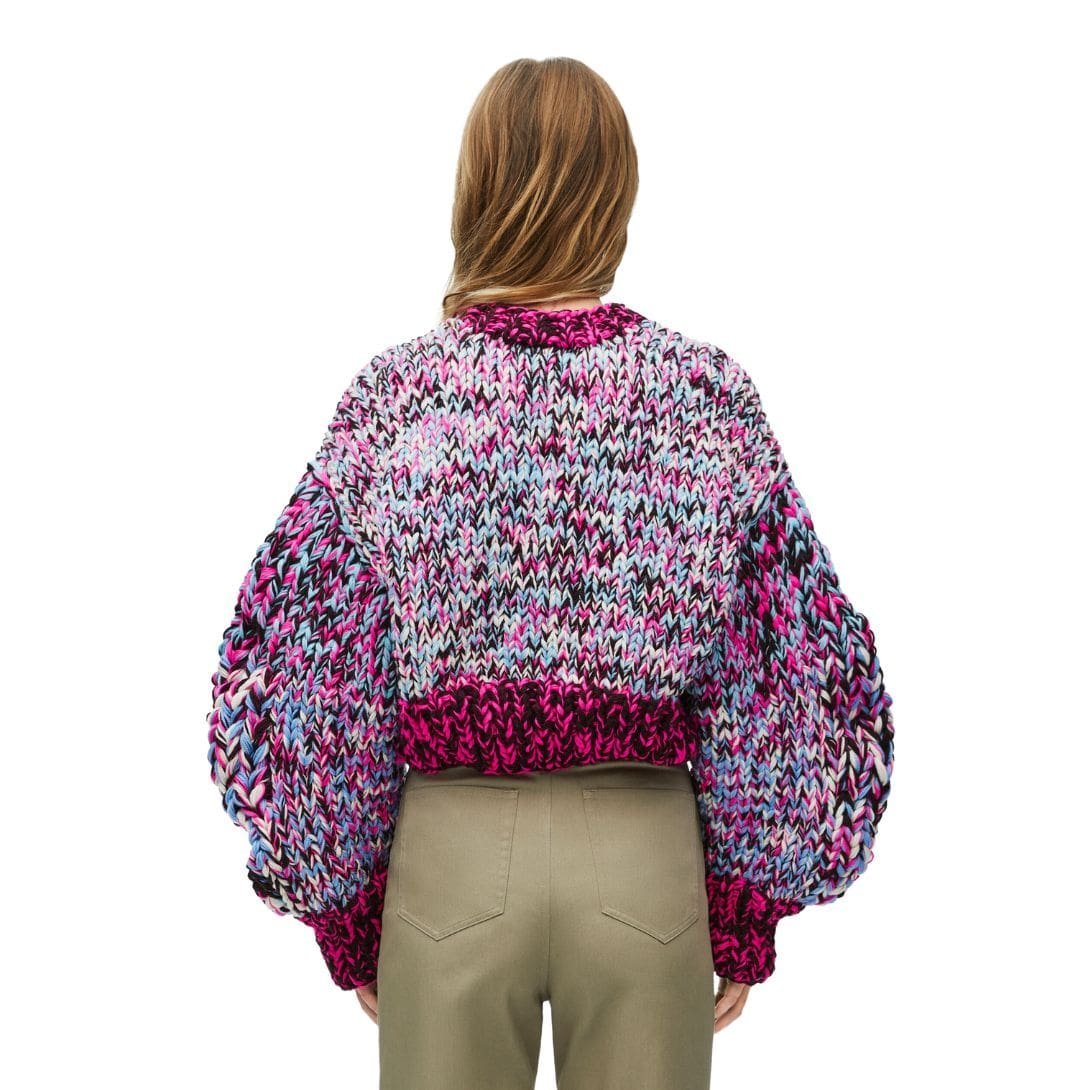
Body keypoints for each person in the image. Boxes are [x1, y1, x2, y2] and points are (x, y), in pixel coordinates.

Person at [206, 55, 894, 1090]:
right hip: (645, 864)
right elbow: (793, 667)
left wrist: (344, 905)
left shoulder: (395, 401)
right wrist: (748, 902)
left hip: (449, 860)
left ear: (475, 187)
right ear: (616, 193)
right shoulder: (705, 398)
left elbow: (299, 671)